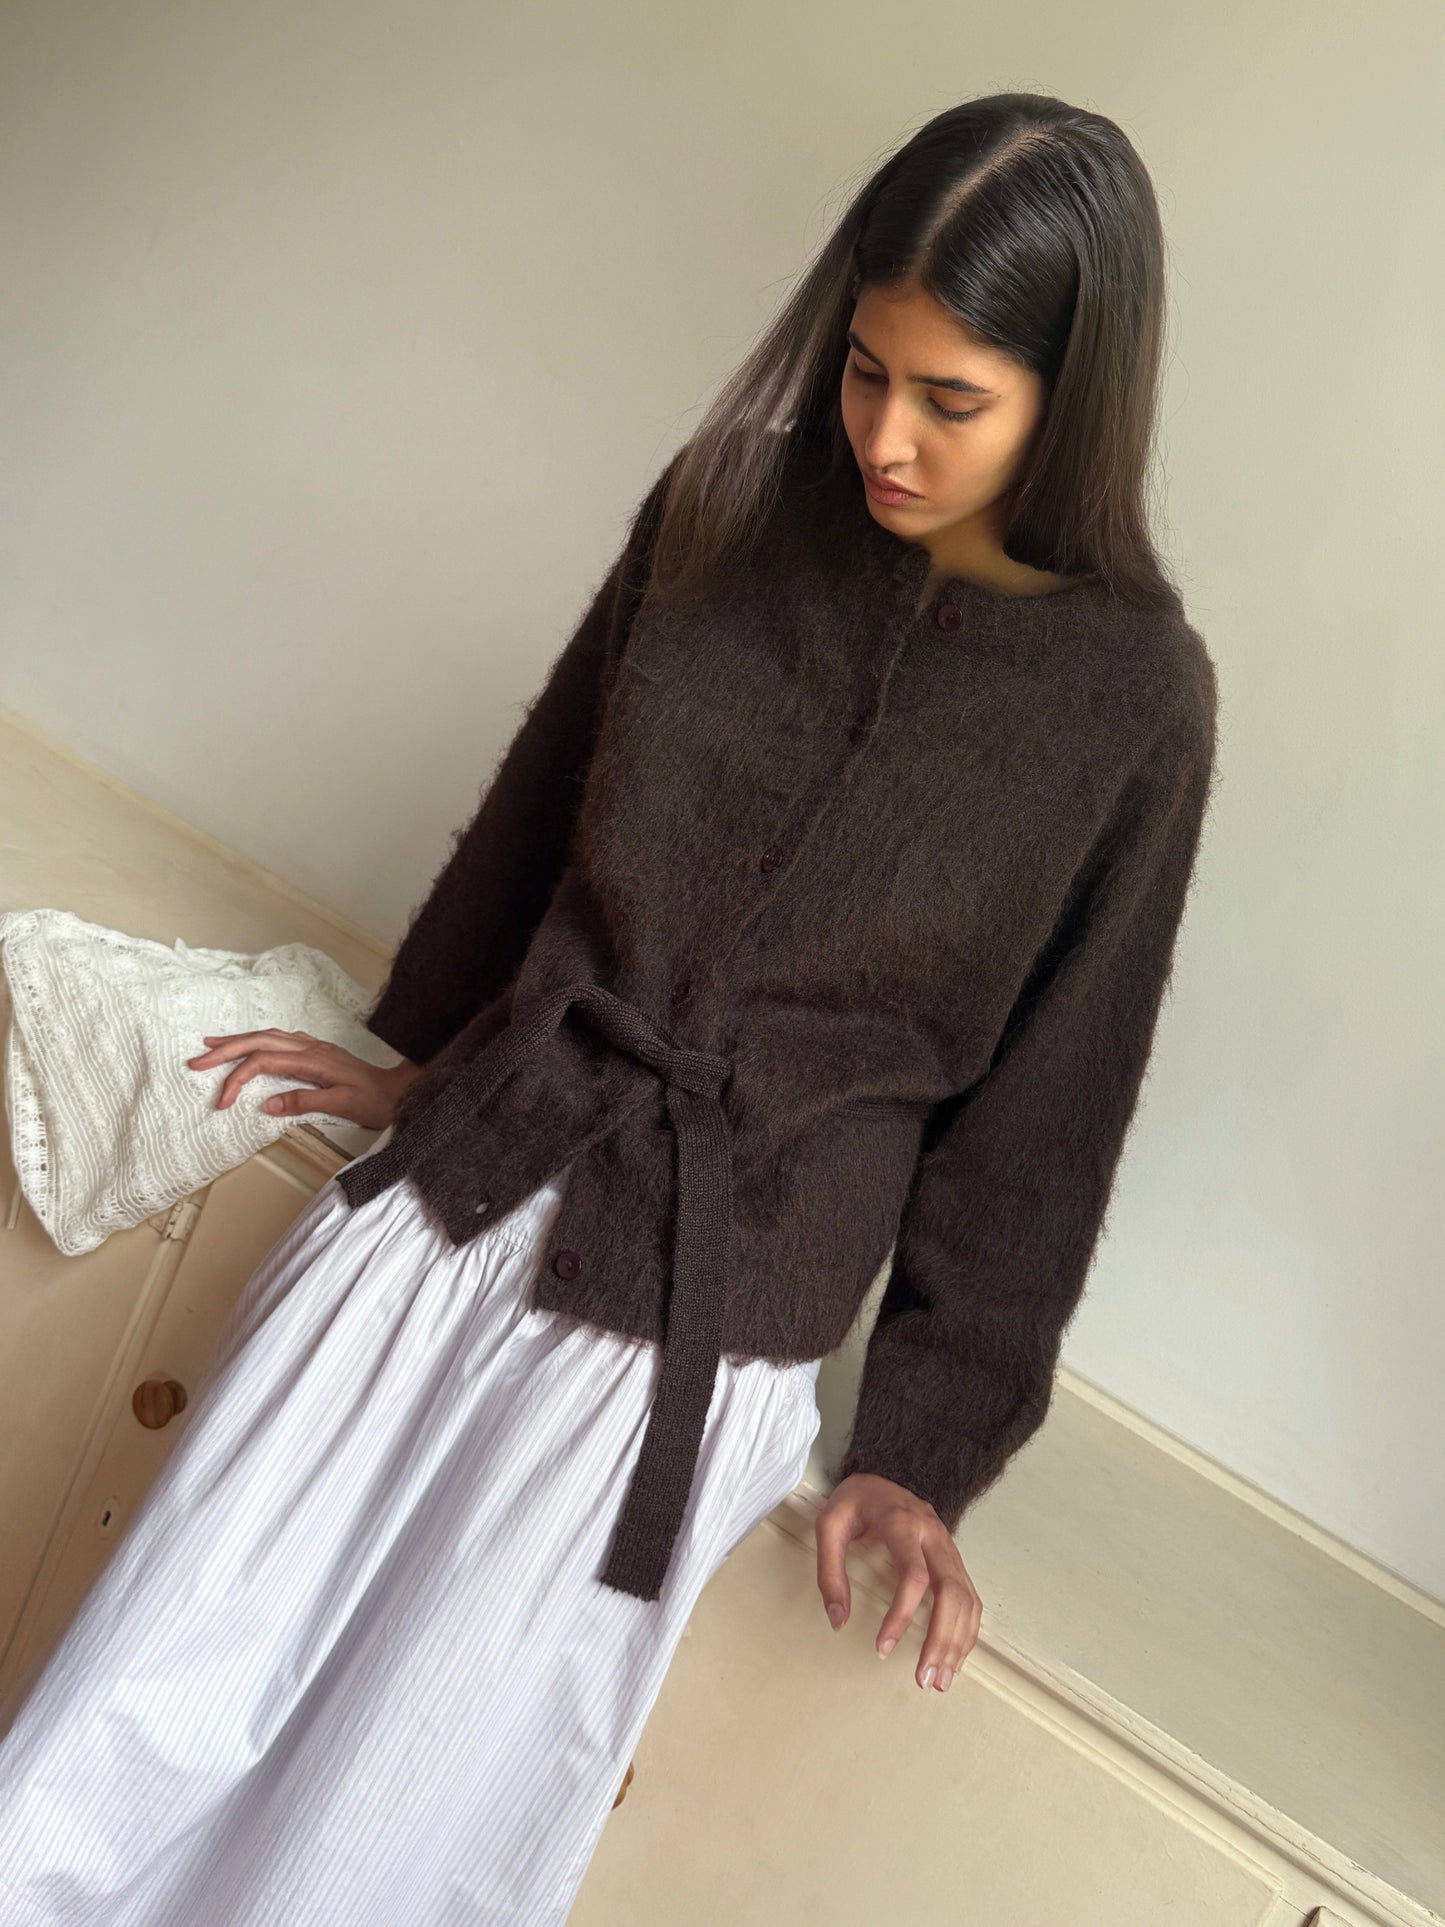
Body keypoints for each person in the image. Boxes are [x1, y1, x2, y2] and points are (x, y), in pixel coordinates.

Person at [0, 91, 1218, 1924]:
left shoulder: (1134, 702)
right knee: (131, 1715)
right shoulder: (727, 508)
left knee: (382, 1854)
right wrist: (414, 1048)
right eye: (867, 369)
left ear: (1074, 393)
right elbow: (541, 805)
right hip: (455, 1203)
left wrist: (918, 1452)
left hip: (692, 1330)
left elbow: (1052, 1104)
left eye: (950, 400)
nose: (885, 436)